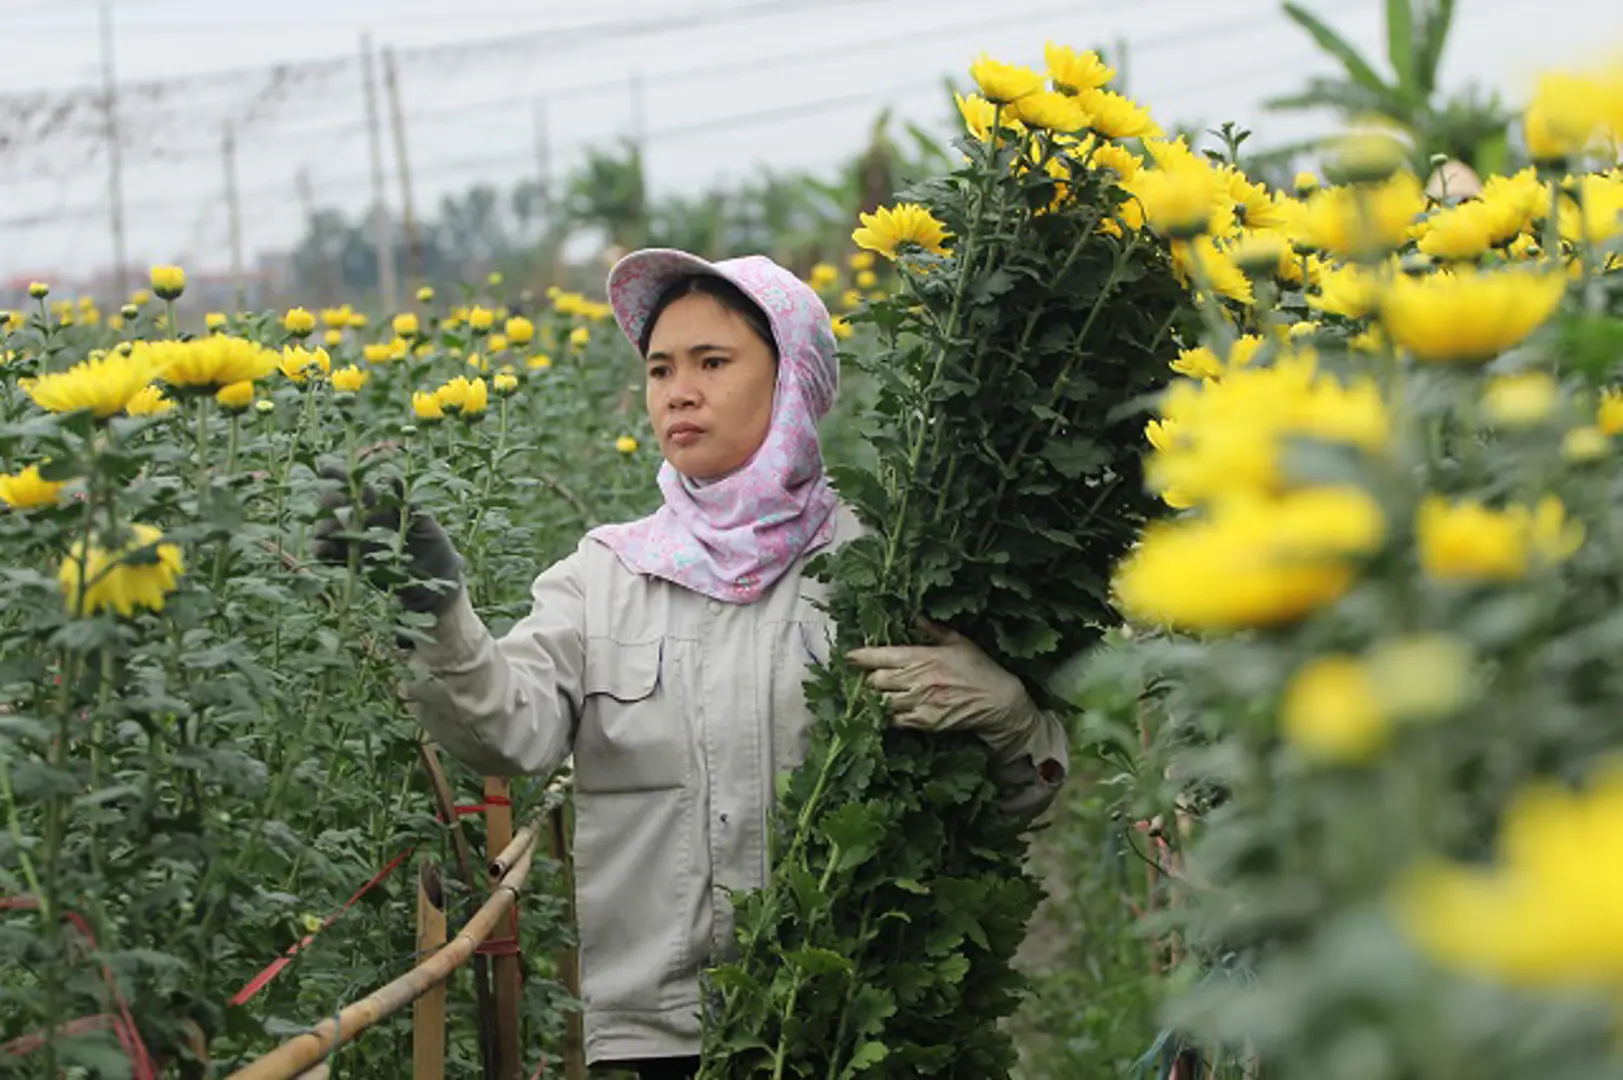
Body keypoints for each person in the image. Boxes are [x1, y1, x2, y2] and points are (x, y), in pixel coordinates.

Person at [315, 250, 1069, 1080]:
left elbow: (1003, 799)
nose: (679, 390)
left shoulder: (883, 567)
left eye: (713, 362)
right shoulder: (606, 576)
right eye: (659, 368)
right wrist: (433, 610)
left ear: (794, 379)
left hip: (858, 1017)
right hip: (660, 1038)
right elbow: (506, 727)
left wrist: (1007, 714)